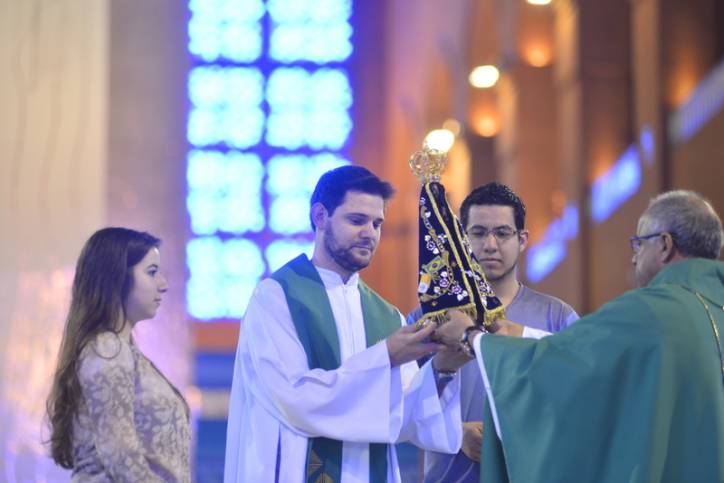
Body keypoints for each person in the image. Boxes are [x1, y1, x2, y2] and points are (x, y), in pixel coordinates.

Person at [436, 189, 724, 482]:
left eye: (639, 243)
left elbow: (571, 368)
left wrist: (474, 337)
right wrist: (455, 432)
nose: (634, 257)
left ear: (664, 245)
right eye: (479, 233)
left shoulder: (648, 312)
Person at [224, 166, 468, 483]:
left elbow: (410, 417)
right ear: (320, 216)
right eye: (356, 220)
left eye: (377, 224)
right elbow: (294, 399)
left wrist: (443, 369)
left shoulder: (387, 316)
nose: (370, 233)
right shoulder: (277, 298)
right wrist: (385, 356)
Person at [407, 182, 578, 482]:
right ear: (462, 238)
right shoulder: (428, 319)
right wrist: (454, 432)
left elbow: (581, 401)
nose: (490, 245)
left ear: (522, 239)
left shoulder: (557, 317)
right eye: (478, 232)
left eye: (502, 233)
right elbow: (399, 405)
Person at [46, 227, 190, 482]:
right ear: (117, 278)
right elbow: (120, 455)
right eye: (152, 272)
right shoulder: (107, 350)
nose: (163, 284)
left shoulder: (119, 350)